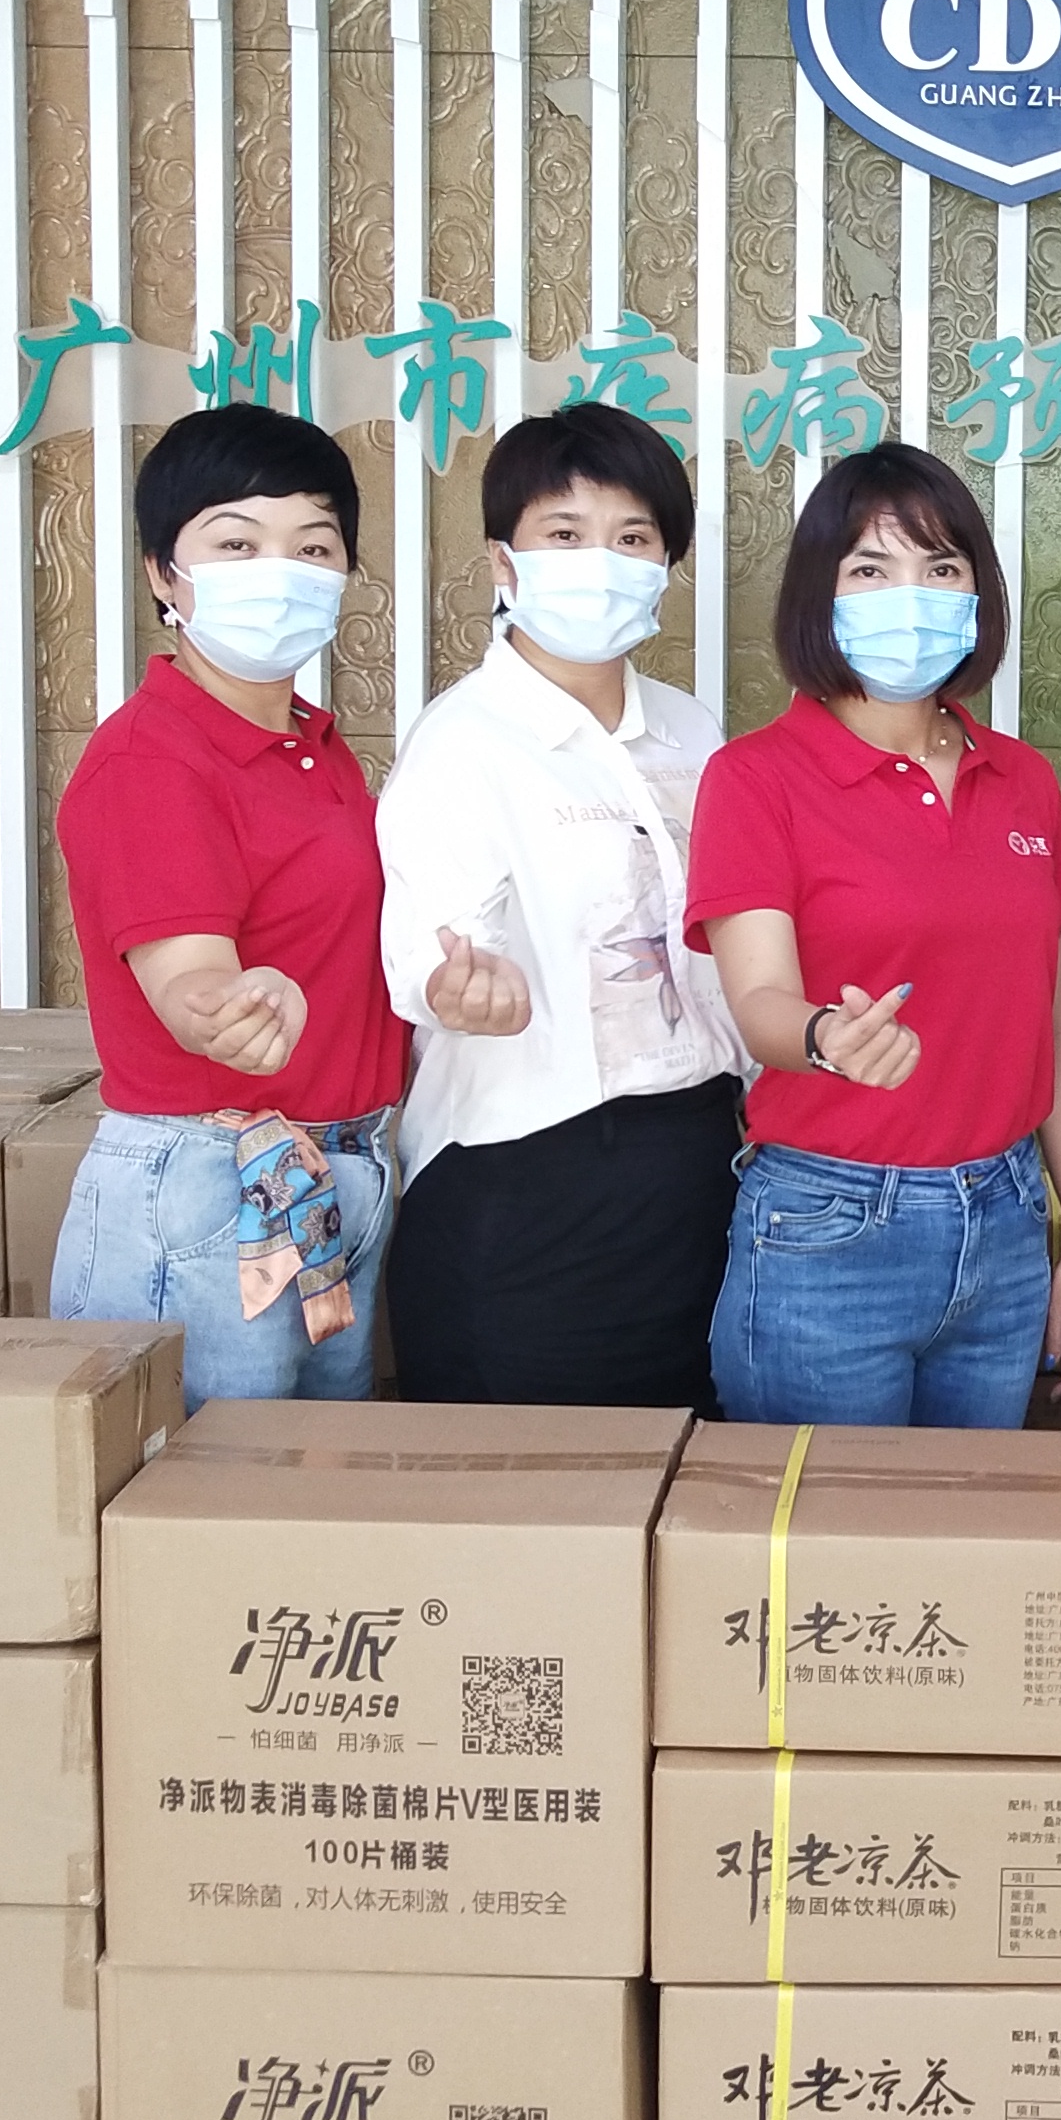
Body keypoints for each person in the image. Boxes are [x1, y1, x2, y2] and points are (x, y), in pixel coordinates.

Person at [683, 444, 1061, 1426]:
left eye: (940, 568)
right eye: (870, 569)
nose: (909, 597)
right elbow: (760, 1001)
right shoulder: (755, 778)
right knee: (824, 1522)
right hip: (828, 1226)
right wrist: (826, 1036)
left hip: (1005, 1220)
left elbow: (1053, 1024)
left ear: (978, 595)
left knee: (967, 1518)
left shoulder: (1023, 779)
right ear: (818, 595)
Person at [374, 403, 747, 1411]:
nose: (603, 562)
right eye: (565, 534)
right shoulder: (463, 741)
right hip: (526, 1179)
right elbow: (433, 942)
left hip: (699, 1161)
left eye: (633, 538)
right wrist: (461, 986)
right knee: (539, 1482)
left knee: (691, 1469)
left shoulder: (692, 731)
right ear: (505, 562)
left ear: (666, 562)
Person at [50, 403, 409, 1405]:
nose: (280, 572)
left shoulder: (316, 747)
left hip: (326, 1171)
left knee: (306, 1478)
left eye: (314, 546)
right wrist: (233, 1006)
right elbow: (190, 982)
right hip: (214, 1186)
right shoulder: (152, 760)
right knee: (210, 1479)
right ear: (164, 574)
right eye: (238, 544)